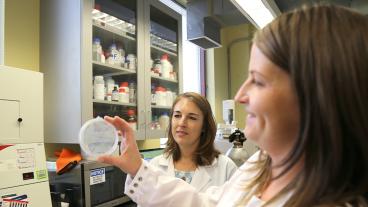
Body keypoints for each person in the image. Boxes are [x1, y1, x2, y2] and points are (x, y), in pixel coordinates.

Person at [98, 4, 368, 206]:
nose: (240, 96)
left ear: (315, 96)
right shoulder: (263, 164)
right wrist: (136, 167)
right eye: (177, 115)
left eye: (258, 81)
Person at [149, 92, 237, 192]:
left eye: (192, 118)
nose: (182, 123)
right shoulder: (154, 166)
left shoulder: (226, 168)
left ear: (204, 126)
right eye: (177, 115)